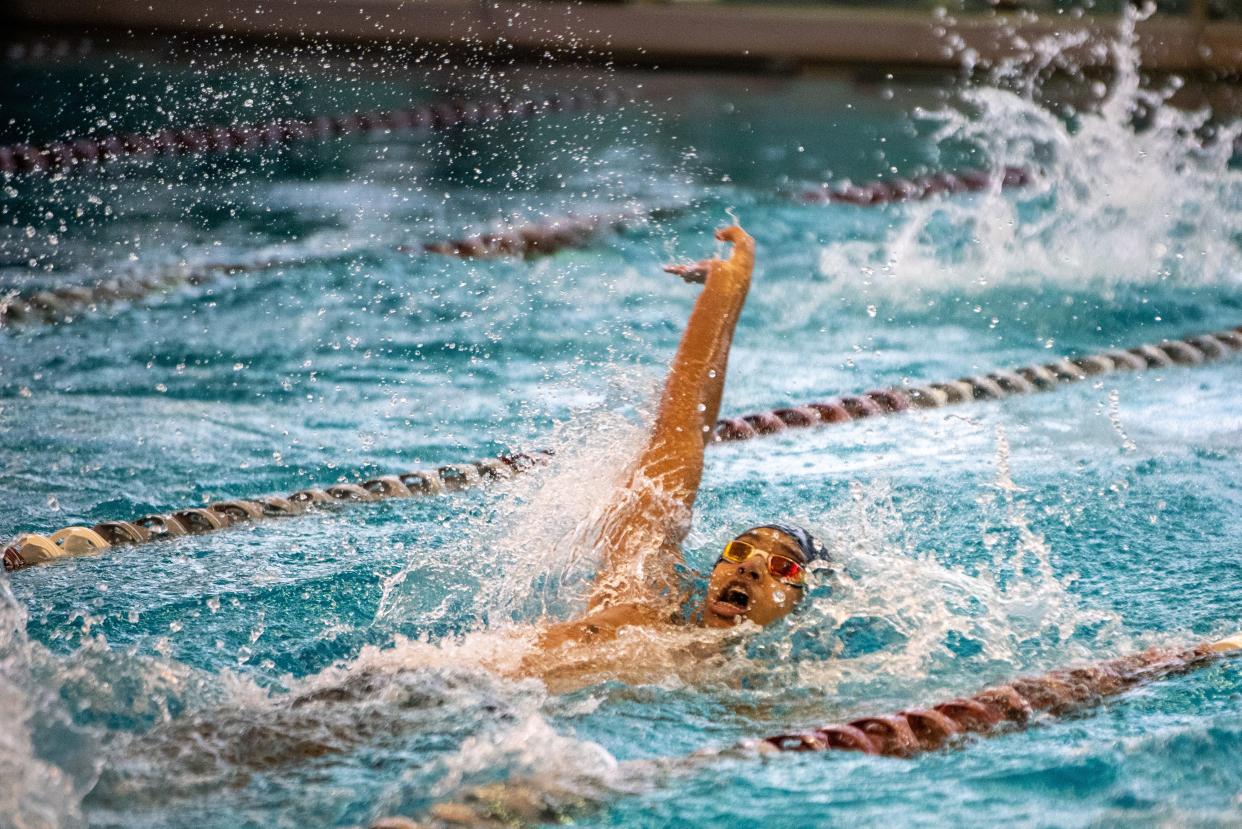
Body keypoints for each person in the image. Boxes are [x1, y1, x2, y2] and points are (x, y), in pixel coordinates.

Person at [521, 224, 828, 673]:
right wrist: (726, 292)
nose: (749, 568)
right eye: (739, 551)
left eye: (784, 568)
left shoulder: (754, 690)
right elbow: (679, 430)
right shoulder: (642, 607)